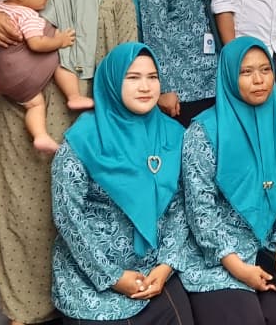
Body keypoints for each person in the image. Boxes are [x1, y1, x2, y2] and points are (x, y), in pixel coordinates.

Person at [0, 0, 140, 324]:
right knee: (25, 213)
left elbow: (128, 53)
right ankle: (26, 310)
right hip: (23, 117)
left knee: (82, 213)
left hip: (88, 113)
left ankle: (79, 306)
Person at [51, 43, 194, 325]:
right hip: (90, 283)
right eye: (133, 77)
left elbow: (180, 207)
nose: (145, 87)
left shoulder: (174, 135)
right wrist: (113, 277)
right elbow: (68, 217)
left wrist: (166, 266)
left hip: (154, 272)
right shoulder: (83, 140)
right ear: (113, 81)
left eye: (152, 77)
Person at [177, 37, 276, 325]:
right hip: (217, 256)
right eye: (246, 72)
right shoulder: (203, 132)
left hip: (267, 250)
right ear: (229, 76)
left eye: (265, 70)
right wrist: (237, 266)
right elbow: (200, 210)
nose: (259, 80)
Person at [0, 0, 94, 154]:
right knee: (60, 60)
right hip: (22, 76)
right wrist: (60, 41)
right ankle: (73, 96)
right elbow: (36, 43)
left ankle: (40, 136)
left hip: (1, 78)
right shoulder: (28, 15)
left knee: (34, 104)